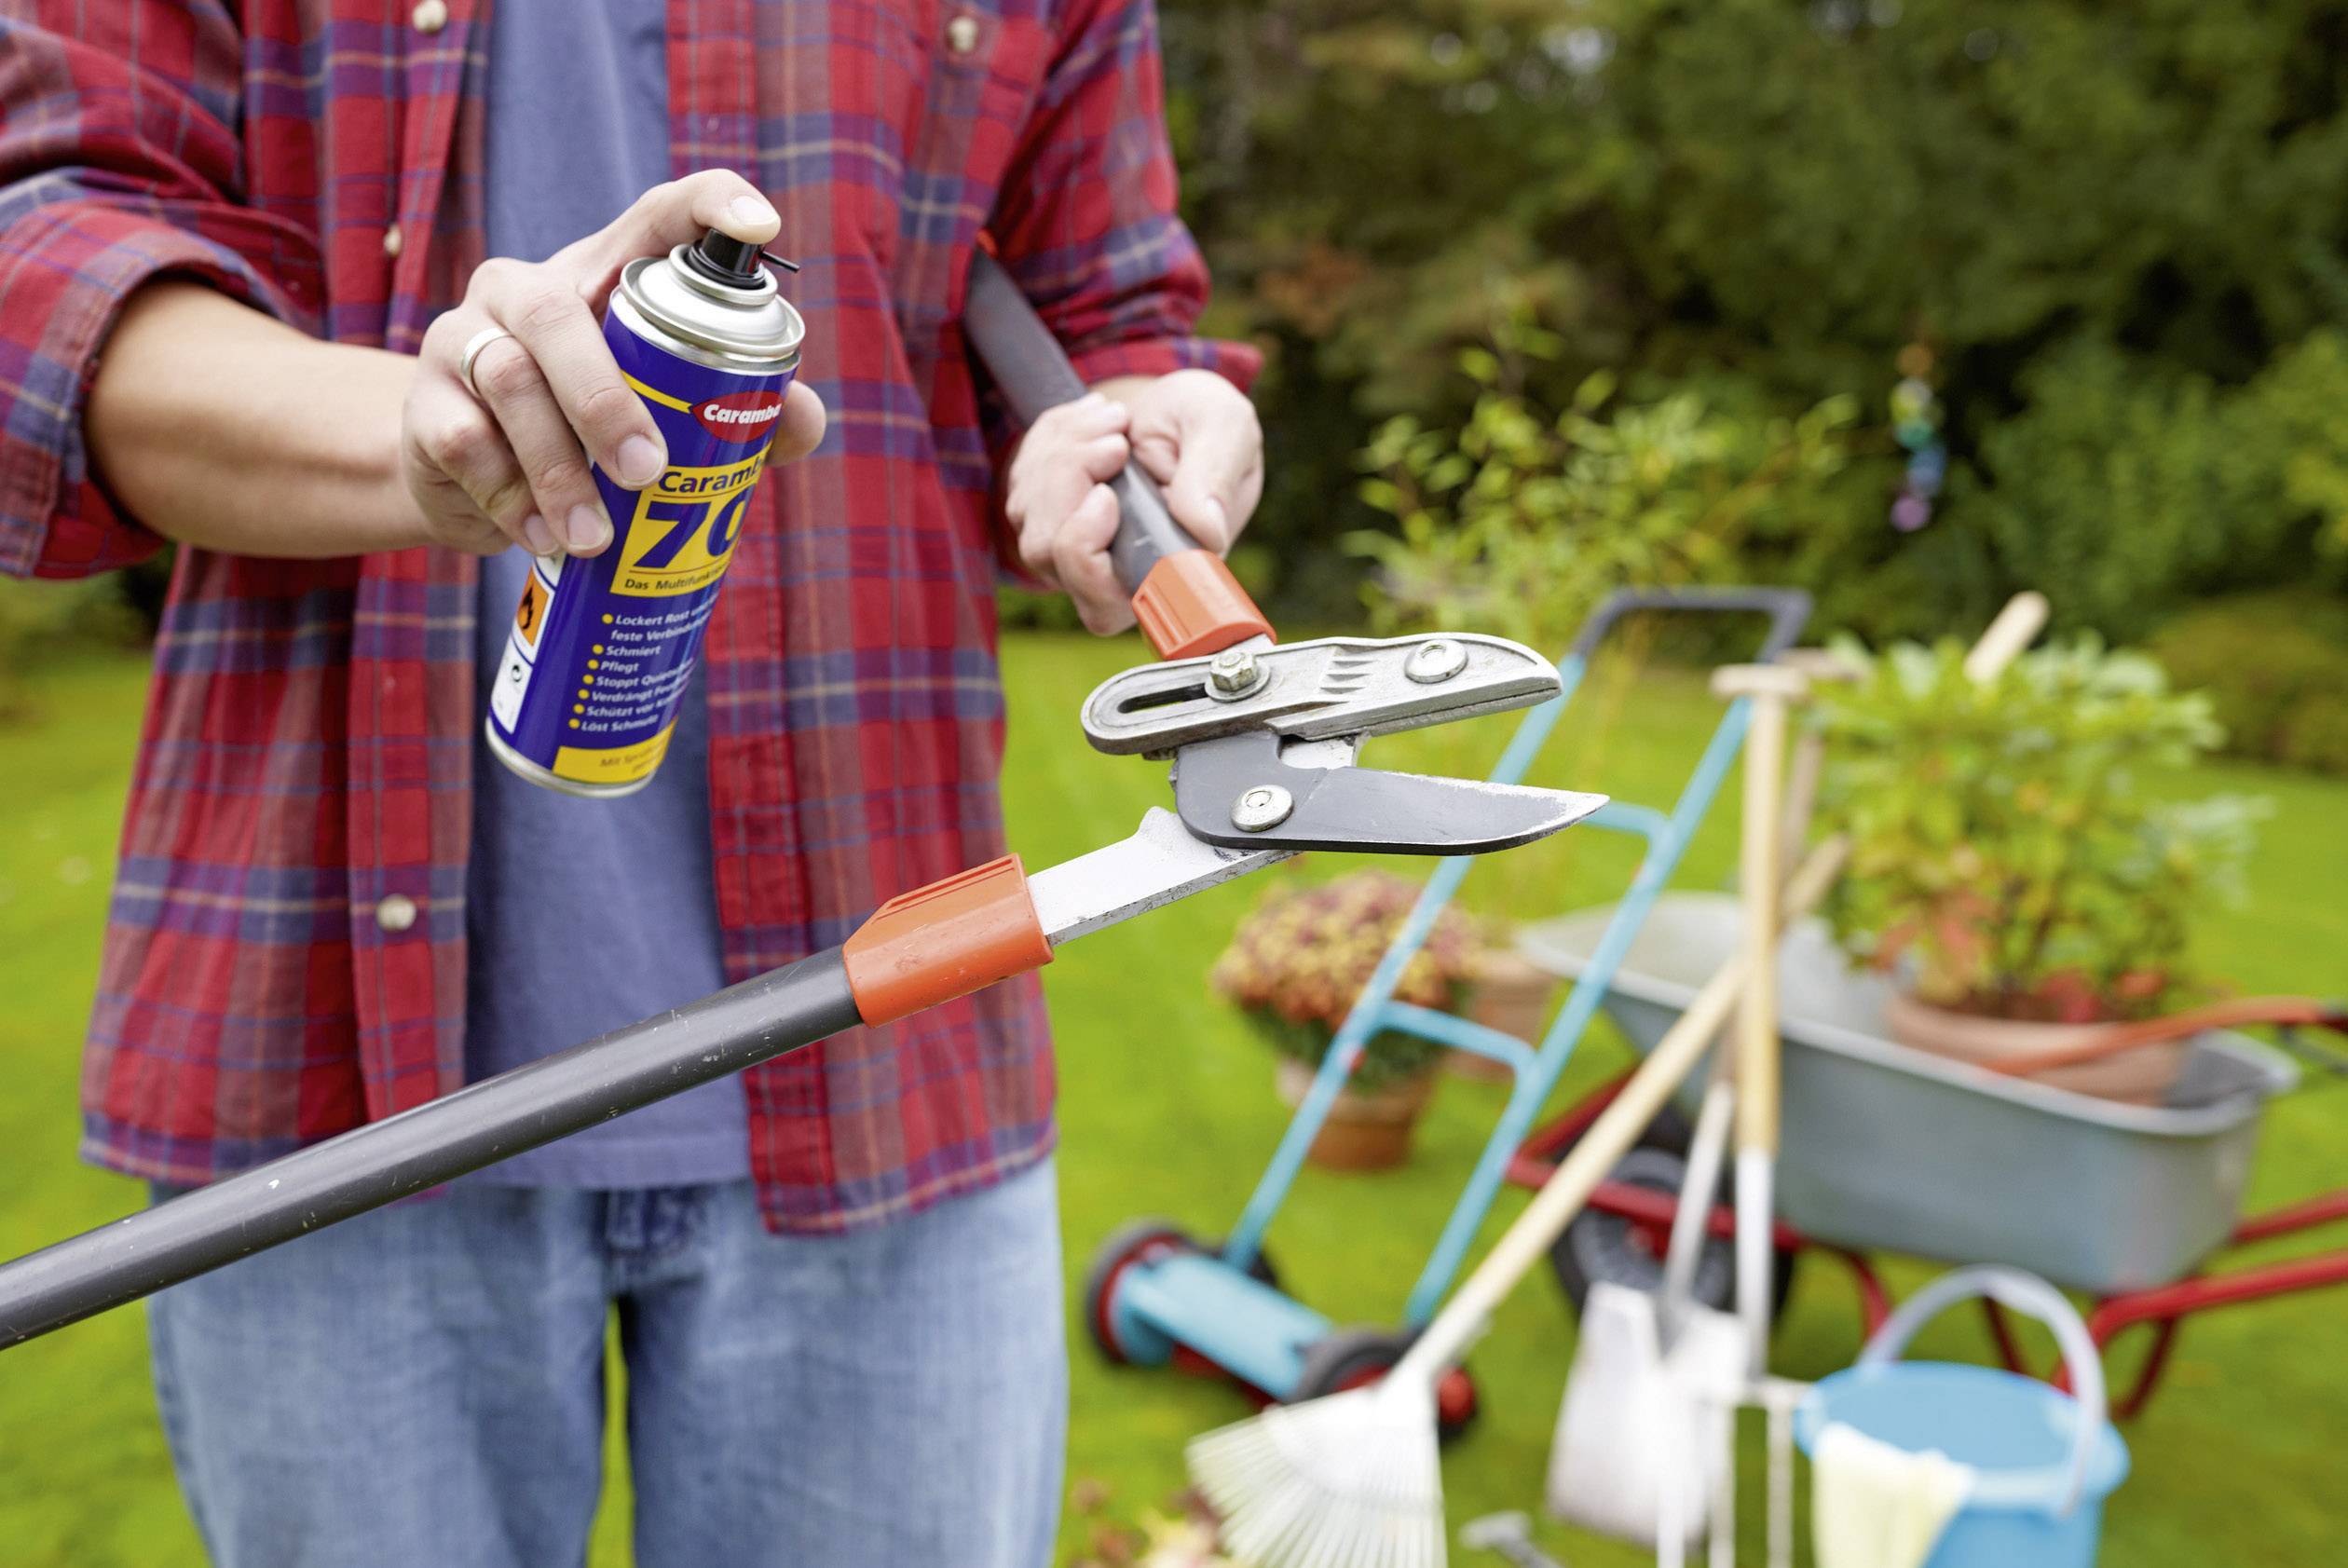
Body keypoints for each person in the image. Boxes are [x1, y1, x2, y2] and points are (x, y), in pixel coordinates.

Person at [0, 3, 1262, 1564]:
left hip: (891, 1056)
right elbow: (38, 279)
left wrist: (1146, 434)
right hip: (323, 1077)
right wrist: (423, 435)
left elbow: (1107, 315)